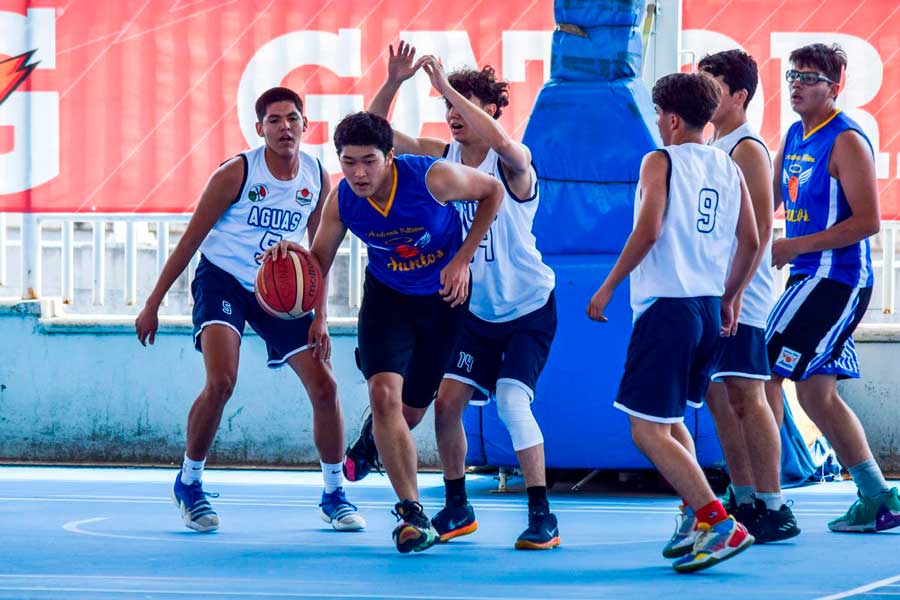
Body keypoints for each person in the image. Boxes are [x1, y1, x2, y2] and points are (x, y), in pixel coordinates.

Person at [356, 41, 560, 550]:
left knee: (513, 401)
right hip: (473, 311)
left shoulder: (515, 164)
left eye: (463, 105)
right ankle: (457, 506)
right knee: (446, 406)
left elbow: (508, 146)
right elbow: (373, 138)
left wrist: (446, 83)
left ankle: (542, 515)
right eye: (446, 106)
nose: (452, 114)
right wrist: (396, 80)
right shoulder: (439, 161)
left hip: (527, 307)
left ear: (490, 110)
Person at [135, 87, 364, 534]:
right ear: (259, 129)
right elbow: (191, 240)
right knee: (221, 381)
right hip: (223, 279)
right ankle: (190, 481)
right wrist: (153, 303)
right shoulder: (236, 173)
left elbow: (320, 254)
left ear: (305, 125)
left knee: (325, 386)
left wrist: (320, 316)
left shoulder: (317, 176)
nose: (284, 127)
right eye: (274, 120)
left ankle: (335, 493)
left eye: (292, 118)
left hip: (279, 288)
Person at [280, 111, 503, 553]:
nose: (359, 173)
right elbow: (317, 263)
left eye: (369, 161)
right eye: (348, 162)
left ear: (391, 157)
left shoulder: (431, 178)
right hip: (387, 298)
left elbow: (492, 191)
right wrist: (293, 267)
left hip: (443, 300)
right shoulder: (342, 200)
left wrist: (462, 259)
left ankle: (370, 441)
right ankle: (411, 513)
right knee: (383, 396)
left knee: (411, 413)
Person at [587, 72, 759, 573]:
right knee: (670, 422)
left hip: (668, 308)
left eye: (659, 115)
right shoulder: (729, 167)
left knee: (646, 432)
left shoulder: (659, 160)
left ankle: (718, 521)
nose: (658, 124)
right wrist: (731, 298)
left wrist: (609, 285)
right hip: (707, 306)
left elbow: (649, 228)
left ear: (673, 118)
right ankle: (693, 516)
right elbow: (751, 239)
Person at [766, 43, 900, 533]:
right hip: (807, 276)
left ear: (835, 86)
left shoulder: (846, 140)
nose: (797, 85)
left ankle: (764, 499)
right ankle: (879, 497)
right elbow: (770, 199)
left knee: (761, 371)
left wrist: (795, 246)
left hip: (835, 279)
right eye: (792, 76)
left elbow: (867, 221)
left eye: (809, 77)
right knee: (816, 397)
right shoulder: (796, 135)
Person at [689, 49, 799, 545]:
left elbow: (755, 233)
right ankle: (745, 495)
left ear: (740, 95)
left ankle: (774, 504)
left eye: (714, 85)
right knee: (719, 396)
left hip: (743, 296)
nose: (706, 94)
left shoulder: (748, 149)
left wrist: (733, 294)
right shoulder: (714, 145)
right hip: (715, 291)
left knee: (747, 394)